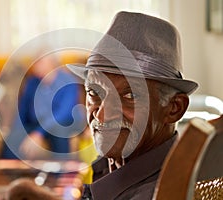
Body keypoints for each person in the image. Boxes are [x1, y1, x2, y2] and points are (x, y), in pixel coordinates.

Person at [67, 11, 198, 199]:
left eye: (129, 95)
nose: (101, 115)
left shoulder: (158, 193)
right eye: (94, 93)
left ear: (174, 108)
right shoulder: (120, 166)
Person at [2, 53, 85, 160]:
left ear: (52, 63)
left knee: (58, 130)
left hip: (65, 123)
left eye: (40, 62)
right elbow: (22, 110)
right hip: (37, 123)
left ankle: (60, 172)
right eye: (35, 62)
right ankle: (12, 174)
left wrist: (39, 133)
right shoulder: (32, 82)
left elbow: (62, 113)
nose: (35, 65)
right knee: (13, 138)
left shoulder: (68, 81)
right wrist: (17, 130)